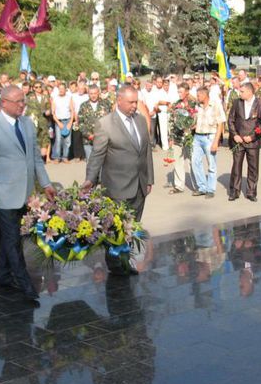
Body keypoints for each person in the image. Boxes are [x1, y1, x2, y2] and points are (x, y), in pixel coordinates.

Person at [0, 86, 55, 302]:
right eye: (17, 101)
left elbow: (35, 158)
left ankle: (4, 275)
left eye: (23, 100)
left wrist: (46, 184)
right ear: (3, 103)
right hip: (3, 194)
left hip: (24, 193)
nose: (22, 104)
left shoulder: (27, 124)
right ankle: (24, 283)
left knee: (8, 238)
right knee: (13, 240)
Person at [82, 84, 154, 275]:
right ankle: (115, 265)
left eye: (136, 101)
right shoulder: (105, 124)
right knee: (116, 229)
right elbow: (97, 155)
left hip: (139, 185)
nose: (134, 106)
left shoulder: (139, 120)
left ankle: (126, 260)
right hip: (117, 187)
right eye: (130, 102)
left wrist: (149, 178)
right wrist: (90, 179)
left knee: (131, 227)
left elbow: (146, 150)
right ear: (119, 101)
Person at [227, 82, 261, 202]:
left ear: (250, 92)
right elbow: (231, 120)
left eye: (242, 91)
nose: (240, 93)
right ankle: (234, 191)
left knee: (253, 168)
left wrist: (253, 136)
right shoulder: (237, 103)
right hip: (238, 141)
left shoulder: (260, 104)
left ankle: (251, 192)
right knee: (236, 166)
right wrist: (235, 135)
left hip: (252, 142)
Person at [190, 86, 226, 198]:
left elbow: (220, 123)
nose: (197, 97)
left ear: (205, 95)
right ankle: (202, 187)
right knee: (195, 162)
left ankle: (210, 189)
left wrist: (216, 142)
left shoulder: (215, 104)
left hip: (209, 137)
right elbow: (197, 120)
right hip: (197, 137)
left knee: (211, 164)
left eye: (199, 95)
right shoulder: (198, 106)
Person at [167, 82, 196, 195]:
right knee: (177, 161)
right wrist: (170, 137)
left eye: (181, 92)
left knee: (192, 161)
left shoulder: (194, 104)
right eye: (178, 92)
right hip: (177, 136)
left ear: (187, 92)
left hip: (189, 137)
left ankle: (197, 185)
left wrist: (191, 127)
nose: (179, 94)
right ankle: (179, 185)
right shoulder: (176, 105)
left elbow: (196, 119)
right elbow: (170, 122)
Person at [77, 84, 111, 161]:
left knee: (103, 164)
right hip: (88, 141)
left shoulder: (106, 104)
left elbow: (110, 121)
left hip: (103, 140)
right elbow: (80, 122)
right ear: (88, 94)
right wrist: (89, 135)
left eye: (95, 93)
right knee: (91, 165)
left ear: (98, 93)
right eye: (91, 93)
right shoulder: (83, 106)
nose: (93, 96)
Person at [50, 84, 74, 163]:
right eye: (59, 89)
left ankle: (65, 157)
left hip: (67, 120)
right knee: (58, 140)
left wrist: (70, 122)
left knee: (67, 140)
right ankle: (57, 157)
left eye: (62, 88)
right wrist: (58, 122)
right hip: (58, 121)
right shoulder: (55, 99)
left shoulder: (69, 98)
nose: (61, 90)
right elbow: (53, 113)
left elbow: (72, 110)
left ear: (65, 89)